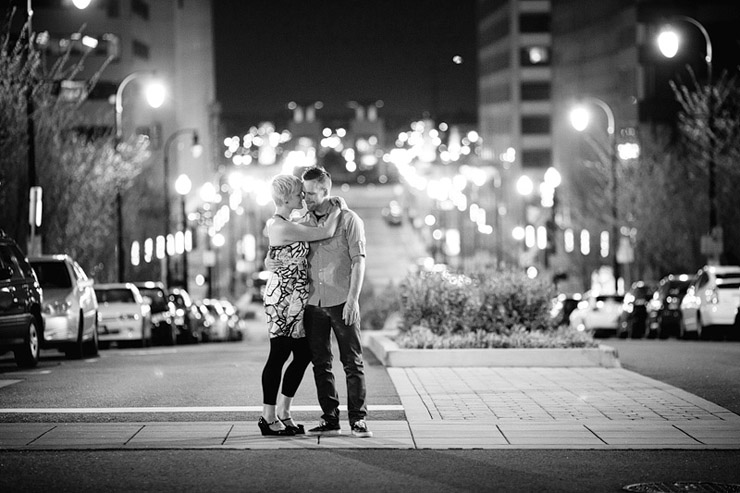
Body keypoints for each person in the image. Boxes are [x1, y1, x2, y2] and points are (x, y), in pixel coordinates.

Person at [258, 174, 342, 437]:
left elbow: (277, 254)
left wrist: (267, 261)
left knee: (303, 354)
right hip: (283, 299)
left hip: (296, 298)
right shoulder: (281, 225)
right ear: (285, 198)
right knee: (279, 354)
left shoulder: (287, 223)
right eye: (297, 194)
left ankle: (284, 412)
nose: (302, 197)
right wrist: (338, 208)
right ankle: (268, 416)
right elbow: (324, 232)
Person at [299, 167, 372, 438]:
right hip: (312, 302)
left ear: (325, 191)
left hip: (342, 300)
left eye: (309, 193)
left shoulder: (350, 220)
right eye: (303, 193)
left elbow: (359, 261)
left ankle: (358, 420)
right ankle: (330, 418)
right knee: (321, 363)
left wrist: (353, 300)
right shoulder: (303, 221)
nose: (305, 197)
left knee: (352, 363)